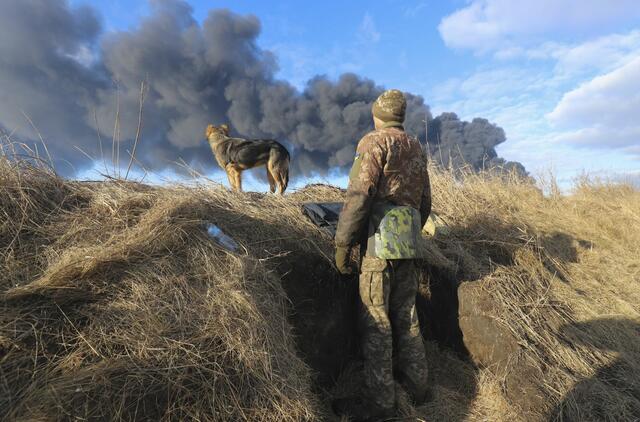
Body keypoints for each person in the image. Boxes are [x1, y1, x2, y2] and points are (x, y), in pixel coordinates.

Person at [333, 89, 431, 420]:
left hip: (379, 245)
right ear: (401, 116)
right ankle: (419, 389)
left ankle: (381, 406)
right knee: (407, 316)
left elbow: (360, 195)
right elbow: (425, 202)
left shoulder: (374, 142)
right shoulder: (416, 147)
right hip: (410, 242)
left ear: (377, 115)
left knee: (376, 321)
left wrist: (343, 244)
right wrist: (411, 232)